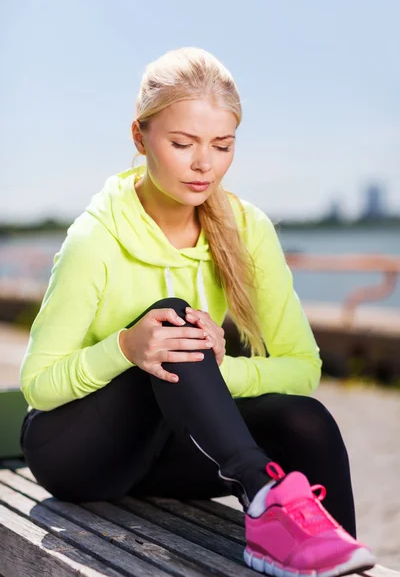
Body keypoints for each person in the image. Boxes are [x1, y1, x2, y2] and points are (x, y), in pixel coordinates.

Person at [19, 47, 375, 576]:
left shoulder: (248, 230)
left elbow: (303, 368)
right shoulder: (94, 238)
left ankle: (329, 556)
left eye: (222, 145)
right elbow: (38, 385)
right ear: (140, 138)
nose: (204, 163)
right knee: (172, 319)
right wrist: (124, 348)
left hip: (176, 453)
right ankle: (262, 498)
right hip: (79, 456)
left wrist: (218, 366)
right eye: (182, 143)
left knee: (306, 421)